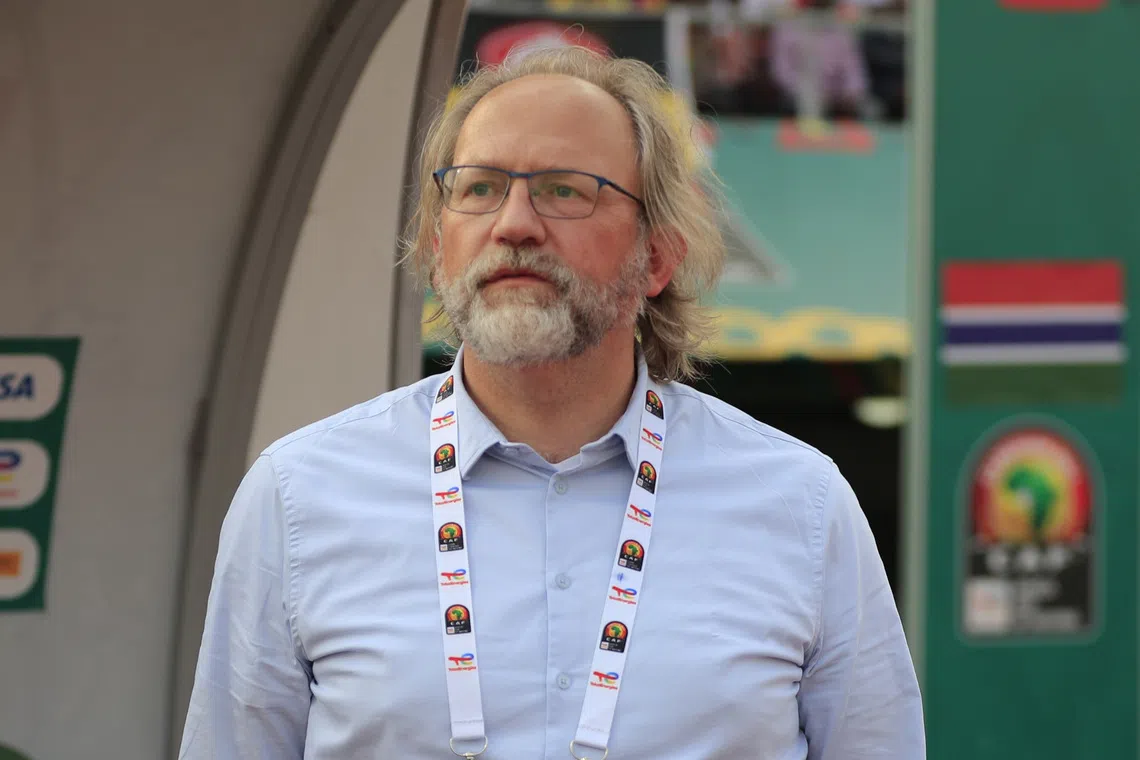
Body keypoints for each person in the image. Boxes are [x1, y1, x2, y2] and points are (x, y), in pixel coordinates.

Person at [178, 46, 924, 759]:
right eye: (478, 188)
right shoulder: (298, 497)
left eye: (564, 189)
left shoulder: (801, 504)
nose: (514, 224)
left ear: (657, 257)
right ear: (437, 247)